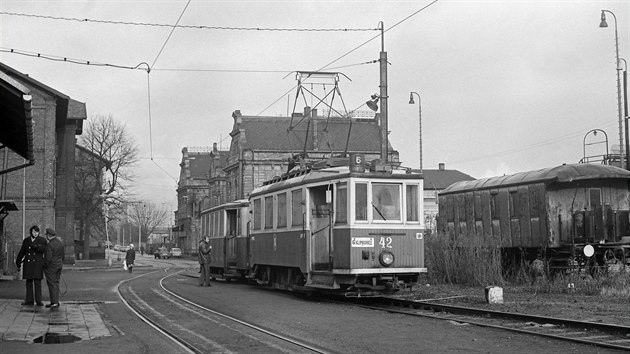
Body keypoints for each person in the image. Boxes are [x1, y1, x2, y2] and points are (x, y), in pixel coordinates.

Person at [15, 225, 47, 306]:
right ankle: (29, 300)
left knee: (37, 282)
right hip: (28, 263)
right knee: (28, 282)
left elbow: (44, 249)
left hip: (38, 264)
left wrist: (37, 247)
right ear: (31, 232)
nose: (35, 233)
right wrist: (18, 261)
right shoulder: (26, 240)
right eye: (34, 232)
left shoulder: (42, 240)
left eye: (37, 232)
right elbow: (22, 251)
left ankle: (39, 301)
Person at [43, 228, 64, 309]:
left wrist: (44, 265)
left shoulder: (50, 245)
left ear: (49, 236)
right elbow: (63, 255)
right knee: (56, 283)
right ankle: (56, 301)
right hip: (59, 265)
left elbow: (48, 258)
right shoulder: (60, 243)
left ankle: (54, 302)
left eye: (47, 235)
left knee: (52, 284)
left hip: (51, 267)